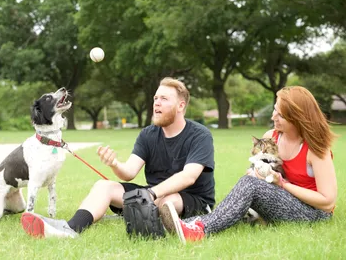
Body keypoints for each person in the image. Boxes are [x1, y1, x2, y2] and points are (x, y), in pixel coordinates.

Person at [20, 77, 216, 238]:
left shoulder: (200, 135)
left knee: (169, 200)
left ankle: (149, 216)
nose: (156, 102)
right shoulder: (148, 134)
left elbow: (189, 176)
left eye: (164, 99)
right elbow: (130, 172)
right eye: (156, 98)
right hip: (152, 195)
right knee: (103, 186)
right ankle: (69, 229)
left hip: (192, 199)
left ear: (181, 105)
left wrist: (151, 194)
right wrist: (114, 164)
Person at [160, 86, 338, 244]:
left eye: (280, 115)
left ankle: (198, 231)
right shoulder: (273, 136)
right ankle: (181, 225)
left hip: (313, 214)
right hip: (282, 200)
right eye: (275, 110)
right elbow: (262, 173)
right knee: (239, 200)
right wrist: (256, 173)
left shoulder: (316, 149)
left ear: (296, 118)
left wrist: (282, 184)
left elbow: (327, 202)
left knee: (250, 187)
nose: (272, 116)